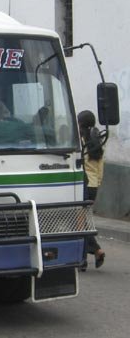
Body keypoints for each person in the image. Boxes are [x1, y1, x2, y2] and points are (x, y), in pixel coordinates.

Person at [78, 110, 106, 269]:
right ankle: (96, 251)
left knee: (79, 223)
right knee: (83, 221)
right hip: (93, 185)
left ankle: (83, 259)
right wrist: (97, 183)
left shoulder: (80, 140)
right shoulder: (99, 142)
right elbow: (100, 169)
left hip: (82, 183)